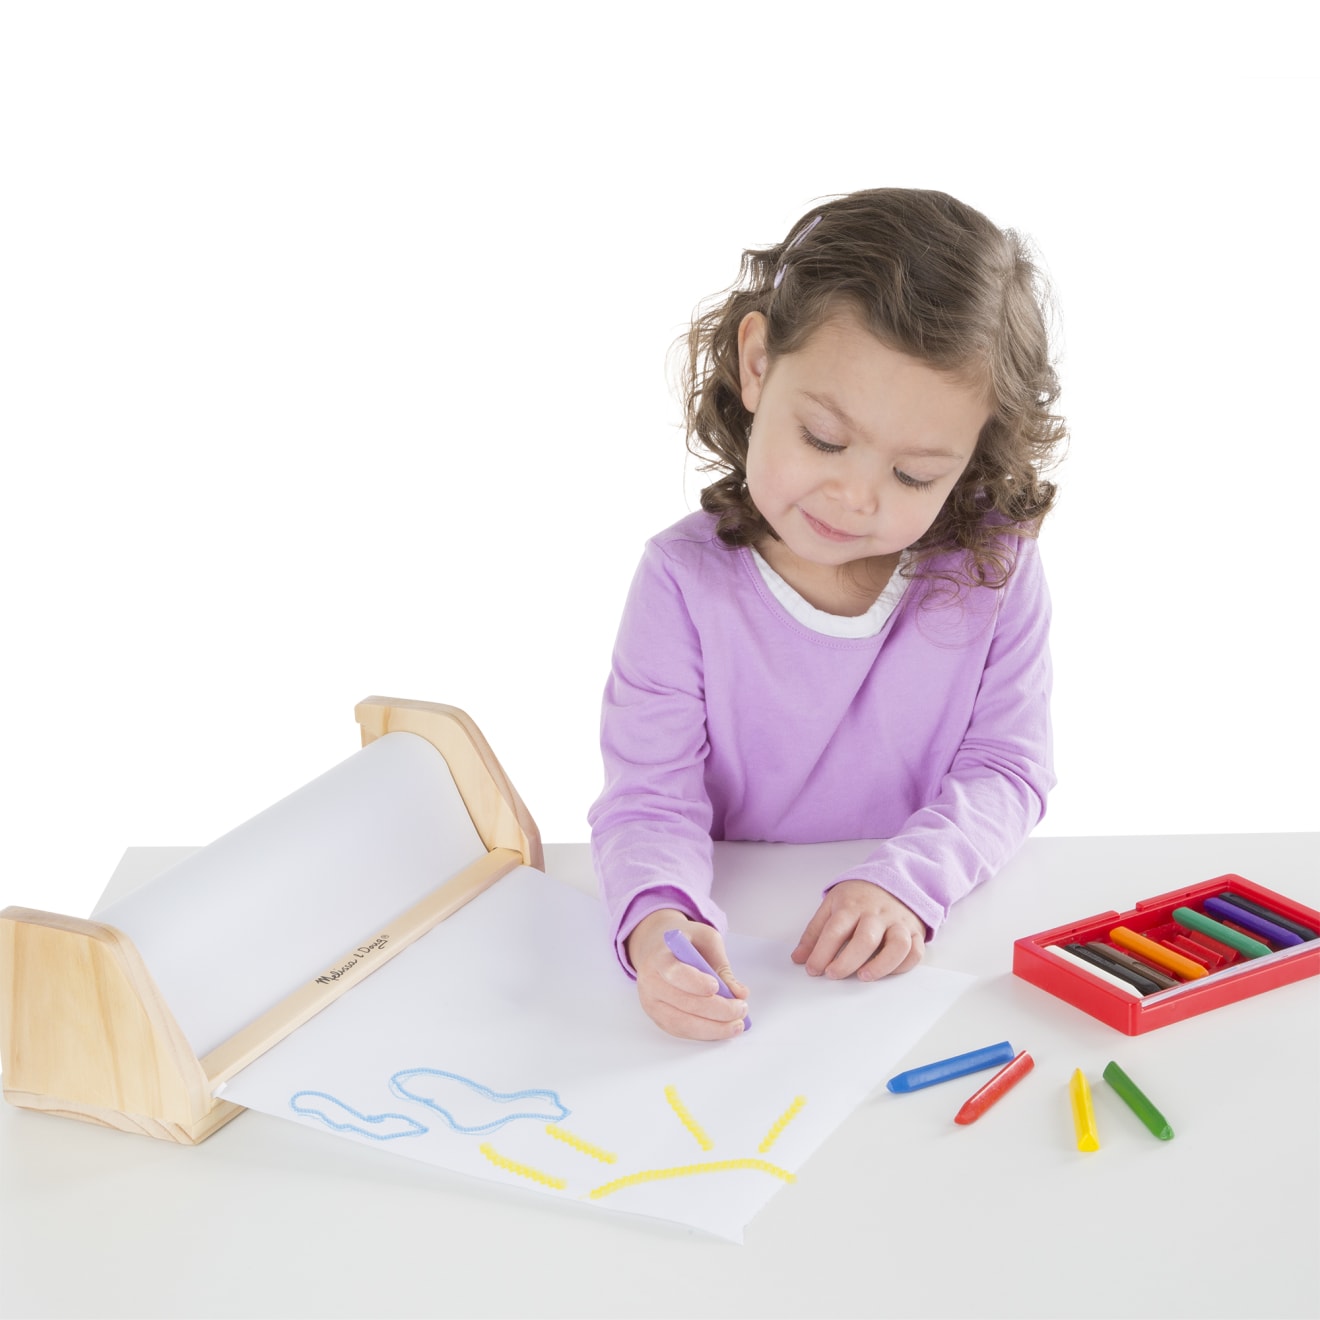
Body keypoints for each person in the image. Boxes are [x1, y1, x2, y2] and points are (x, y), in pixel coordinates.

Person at [588, 188, 1065, 1040]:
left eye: (916, 476)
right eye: (824, 439)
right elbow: (649, 801)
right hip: (761, 971)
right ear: (759, 363)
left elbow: (1007, 768)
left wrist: (905, 883)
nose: (854, 499)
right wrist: (660, 922)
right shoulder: (680, 582)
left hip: (917, 972)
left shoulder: (996, 568)